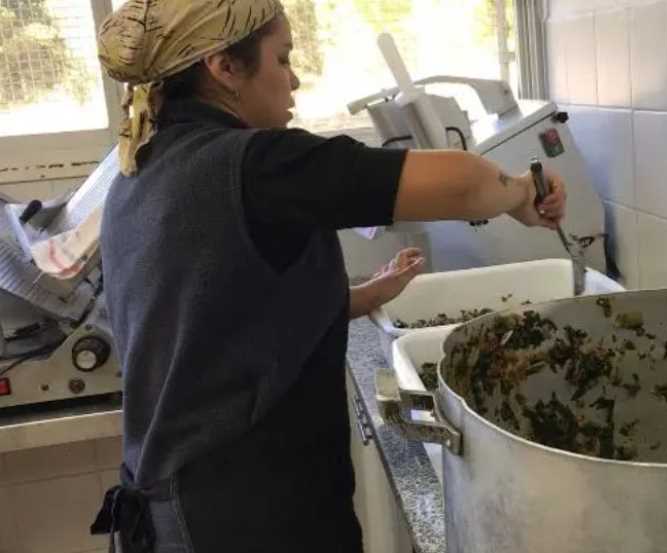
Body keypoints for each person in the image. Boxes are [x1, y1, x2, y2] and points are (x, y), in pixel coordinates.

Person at [88, 1, 567, 552]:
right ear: (223, 66)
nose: (293, 79)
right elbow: (461, 185)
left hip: (179, 508)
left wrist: (361, 297)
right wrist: (522, 193)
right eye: (281, 58)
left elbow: (219, 313)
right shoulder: (253, 165)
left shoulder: (142, 165)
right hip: (244, 516)